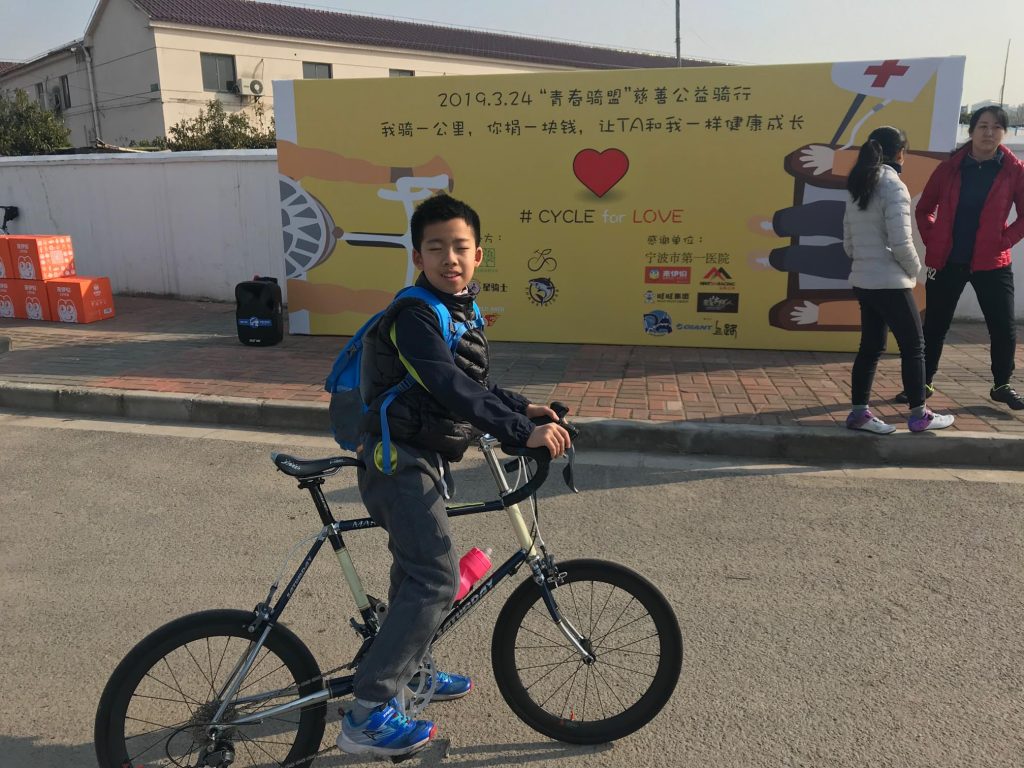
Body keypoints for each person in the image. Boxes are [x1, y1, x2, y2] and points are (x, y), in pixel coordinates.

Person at [336, 194, 572, 757]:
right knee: (435, 577)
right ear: (418, 256)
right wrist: (519, 432)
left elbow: (474, 383)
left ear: (478, 254)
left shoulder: (457, 309)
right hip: (398, 462)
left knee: (413, 572)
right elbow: (448, 384)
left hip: (419, 456)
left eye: (460, 247)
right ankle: (366, 714)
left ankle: (411, 670)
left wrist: (523, 409)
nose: (450, 258)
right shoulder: (415, 315)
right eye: (436, 247)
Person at [907, 106, 1024, 409]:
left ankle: (1002, 384)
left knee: (1003, 327)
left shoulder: (1014, 171)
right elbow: (924, 209)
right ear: (971, 131)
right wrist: (934, 240)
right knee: (935, 326)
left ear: (1004, 133)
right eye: (982, 126)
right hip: (949, 261)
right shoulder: (949, 169)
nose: (989, 133)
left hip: (993, 263)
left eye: (996, 127)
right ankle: (923, 383)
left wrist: (1004, 241)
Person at [842, 126, 955, 434]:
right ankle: (920, 415)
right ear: (900, 153)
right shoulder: (894, 185)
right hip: (890, 282)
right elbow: (901, 242)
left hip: (864, 280)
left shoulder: (858, 183)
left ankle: (859, 414)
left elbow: (848, 242)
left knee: (871, 347)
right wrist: (915, 271)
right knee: (914, 346)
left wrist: (866, 262)